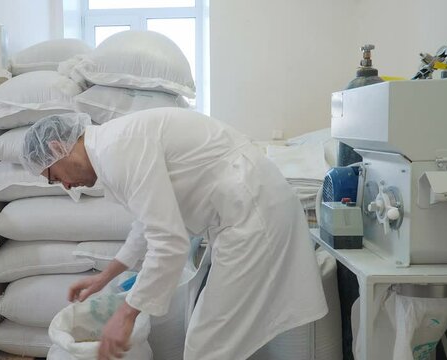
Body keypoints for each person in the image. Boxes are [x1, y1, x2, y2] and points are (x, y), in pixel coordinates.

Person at [20, 108, 328, 360]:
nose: (65, 186)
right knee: (213, 339)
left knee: (207, 345)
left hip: (253, 213)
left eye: (53, 176)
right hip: (245, 213)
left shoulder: (117, 150)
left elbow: (168, 243)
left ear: (57, 148)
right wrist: (104, 277)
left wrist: (127, 315)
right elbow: (147, 224)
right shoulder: (113, 148)